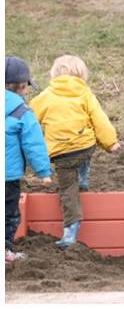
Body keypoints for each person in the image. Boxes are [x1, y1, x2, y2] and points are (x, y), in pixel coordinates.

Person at [29, 54, 121, 248]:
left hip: (61, 154)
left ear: (54, 75)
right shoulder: (85, 94)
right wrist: (110, 143)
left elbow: (30, 119)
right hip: (85, 147)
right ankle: (84, 177)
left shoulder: (45, 96)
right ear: (82, 75)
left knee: (68, 192)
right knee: (86, 144)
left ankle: (70, 232)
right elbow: (100, 120)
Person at [5, 56, 53, 263]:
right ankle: (5, 251)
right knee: (8, 214)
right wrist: (43, 172)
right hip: (7, 177)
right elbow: (34, 144)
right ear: (21, 86)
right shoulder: (21, 111)